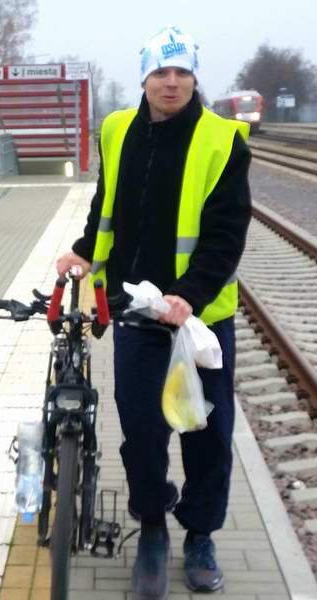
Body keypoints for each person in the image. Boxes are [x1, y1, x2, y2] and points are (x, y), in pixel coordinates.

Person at [56, 26, 251, 599]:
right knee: (142, 432)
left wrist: (190, 293)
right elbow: (107, 203)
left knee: (206, 432)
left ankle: (201, 534)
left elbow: (226, 232)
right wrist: (85, 250)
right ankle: (152, 528)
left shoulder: (223, 139)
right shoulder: (117, 129)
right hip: (135, 313)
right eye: (160, 72)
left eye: (181, 72)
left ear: (194, 77)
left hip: (199, 319)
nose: (171, 82)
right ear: (143, 78)